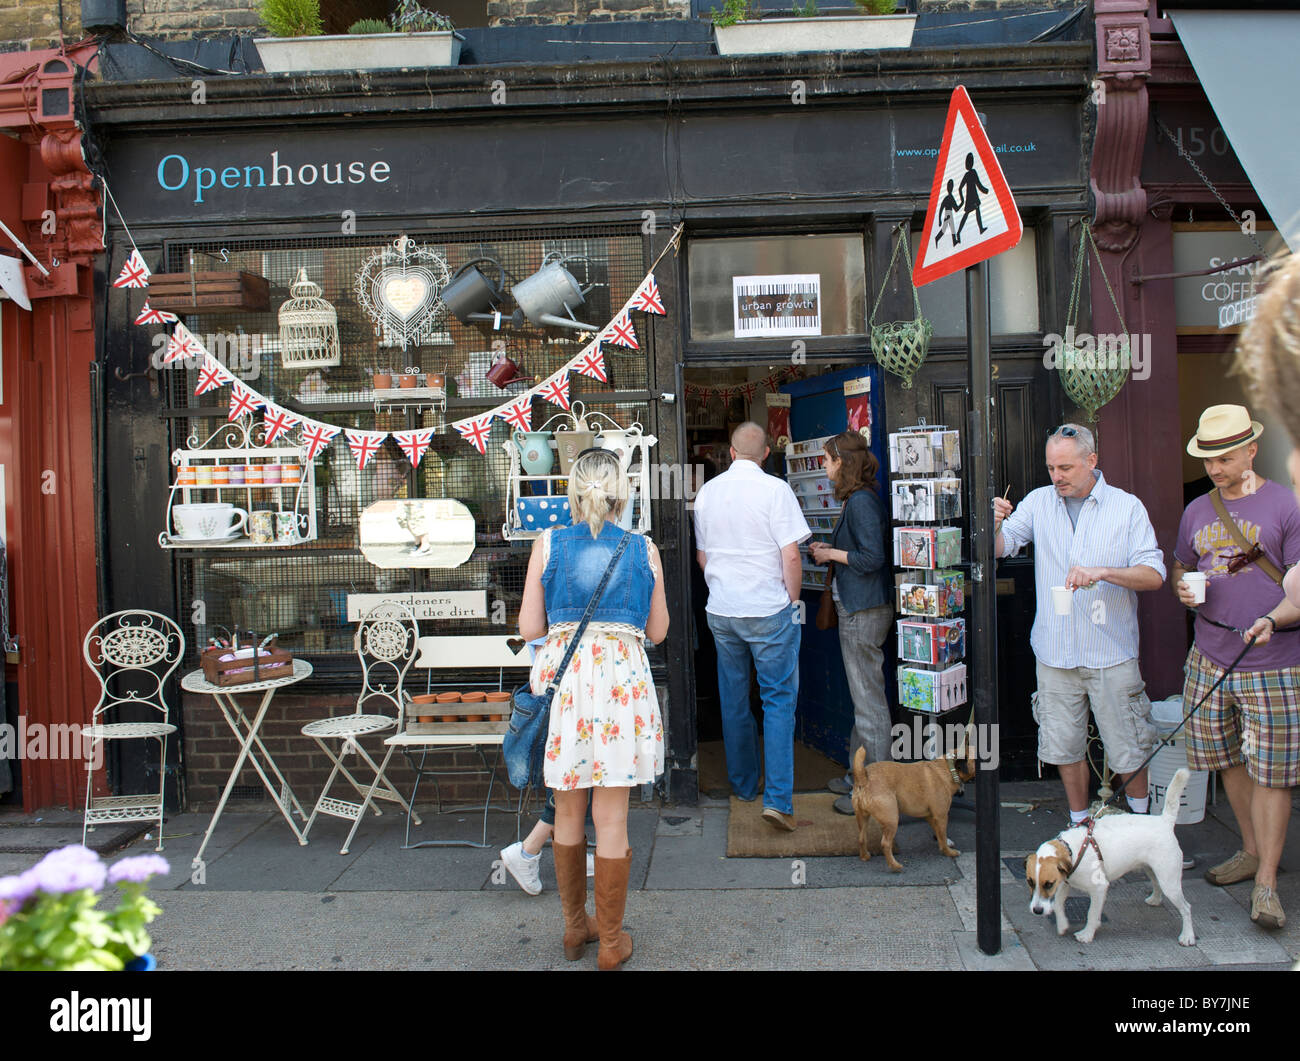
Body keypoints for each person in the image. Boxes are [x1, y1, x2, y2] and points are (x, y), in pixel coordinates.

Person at [518, 449, 668, 969]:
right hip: (620, 685)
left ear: (572, 491)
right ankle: (609, 943)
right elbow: (658, 632)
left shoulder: (547, 543)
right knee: (613, 817)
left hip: (566, 687)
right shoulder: (643, 548)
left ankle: (573, 931)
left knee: (567, 810)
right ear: (621, 492)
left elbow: (529, 630)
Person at [992, 423, 1165, 824]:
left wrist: (1104, 572)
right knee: (1063, 747)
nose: (1057, 476)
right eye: (1052, 467)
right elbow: (999, 549)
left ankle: (1143, 826)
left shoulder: (1126, 507)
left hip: (1110, 651)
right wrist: (993, 522)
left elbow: (1153, 575)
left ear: (1092, 460)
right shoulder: (1038, 502)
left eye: (1066, 467)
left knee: (1128, 748)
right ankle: (1080, 823)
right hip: (1055, 651)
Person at [1172, 401, 1300, 932]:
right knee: (1228, 761)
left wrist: (1274, 618)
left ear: (1250, 448)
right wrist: (1183, 588)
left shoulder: (1286, 505)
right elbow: (1183, 563)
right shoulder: (1197, 510)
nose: (1216, 467)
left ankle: (1267, 882)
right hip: (1210, 655)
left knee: (1273, 774)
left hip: (1273, 661)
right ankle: (1249, 851)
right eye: (1208, 458)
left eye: (1225, 456)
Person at [693, 422, 811, 832]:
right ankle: (777, 799)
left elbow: (704, 559)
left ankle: (744, 787)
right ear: (765, 454)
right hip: (769, 610)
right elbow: (791, 556)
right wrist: (794, 602)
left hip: (723, 610)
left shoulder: (707, 493)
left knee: (733, 698)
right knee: (778, 701)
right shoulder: (776, 490)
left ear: (730, 452)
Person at [808, 432, 893, 815]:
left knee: (869, 701)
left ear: (843, 462)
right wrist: (832, 553)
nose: (825, 467)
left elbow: (871, 558)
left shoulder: (861, 502)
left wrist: (831, 555)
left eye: (827, 460)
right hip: (859, 608)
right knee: (863, 698)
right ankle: (857, 775)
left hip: (863, 610)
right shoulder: (859, 499)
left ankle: (875, 790)